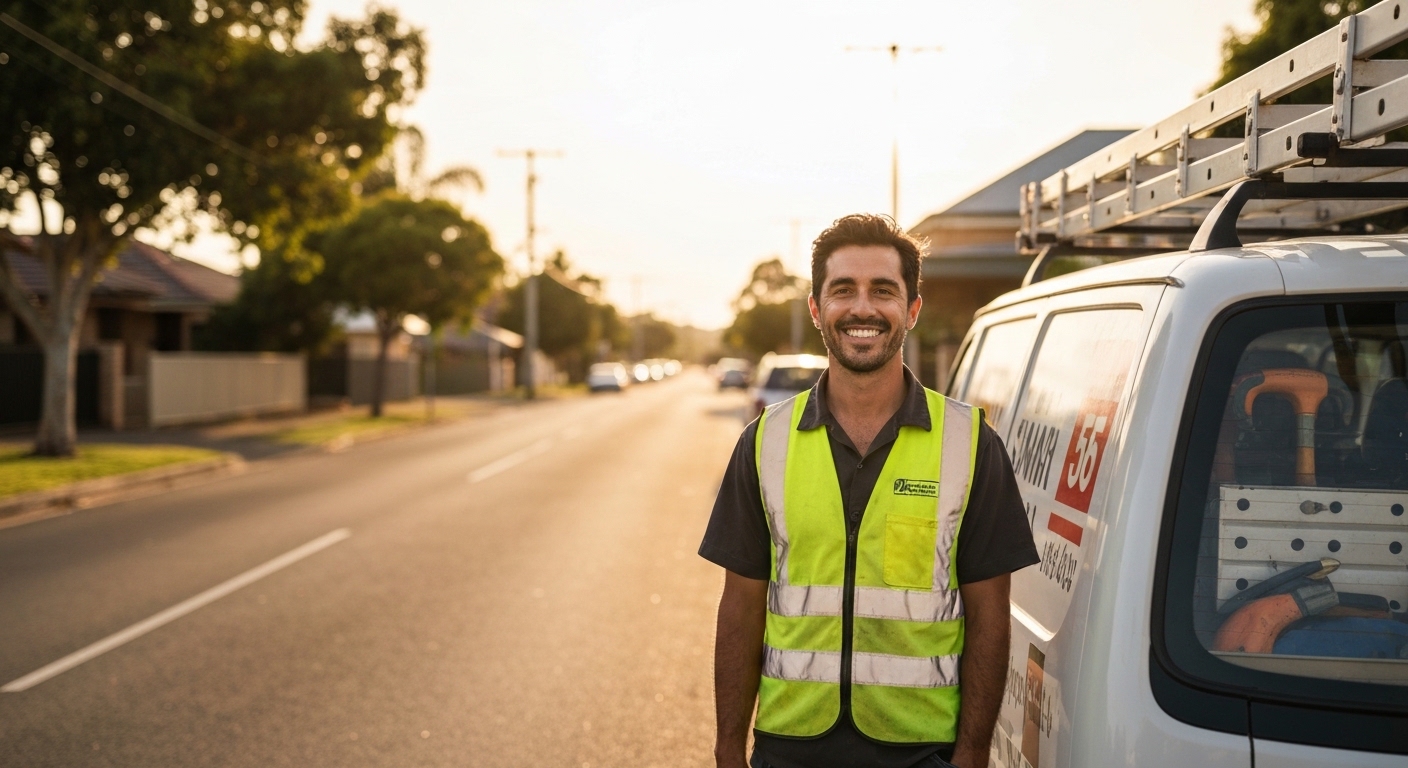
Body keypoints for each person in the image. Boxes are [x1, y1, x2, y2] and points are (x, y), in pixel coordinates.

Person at [699, 214, 1038, 768]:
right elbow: (740, 607)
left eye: (883, 290)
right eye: (843, 290)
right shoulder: (763, 443)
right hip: (790, 749)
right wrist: (728, 749)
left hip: (922, 752)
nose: (862, 308)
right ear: (816, 309)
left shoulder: (972, 444)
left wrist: (972, 752)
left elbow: (989, 615)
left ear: (912, 308)